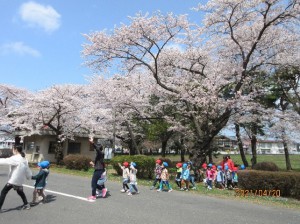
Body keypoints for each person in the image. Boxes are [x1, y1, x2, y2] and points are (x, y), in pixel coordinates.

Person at [0, 145, 32, 211]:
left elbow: (5, 161)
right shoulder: (24, 159)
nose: (12, 150)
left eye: (13, 149)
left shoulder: (16, 158)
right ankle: (26, 204)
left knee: (3, 192)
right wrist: (29, 176)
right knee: (20, 192)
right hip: (19, 181)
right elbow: (27, 170)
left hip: (13, 180)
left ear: (16, 150)